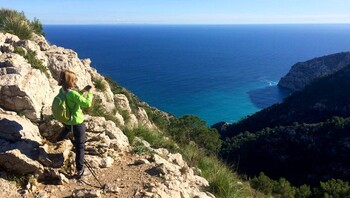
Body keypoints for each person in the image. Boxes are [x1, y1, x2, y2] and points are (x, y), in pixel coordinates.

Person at [56, 70, 94, 178]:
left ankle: (57, 141)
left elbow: (73, 98)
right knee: (80, 146)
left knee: (67, 128)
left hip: (67, 120)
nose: (75, 81)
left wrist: (82, 91)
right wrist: (90, 93)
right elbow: (87, 104)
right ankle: (80, 170)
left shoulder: (62, 90)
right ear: (70, 80)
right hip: (76, 122)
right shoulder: (72, 93)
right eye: (74, 79)